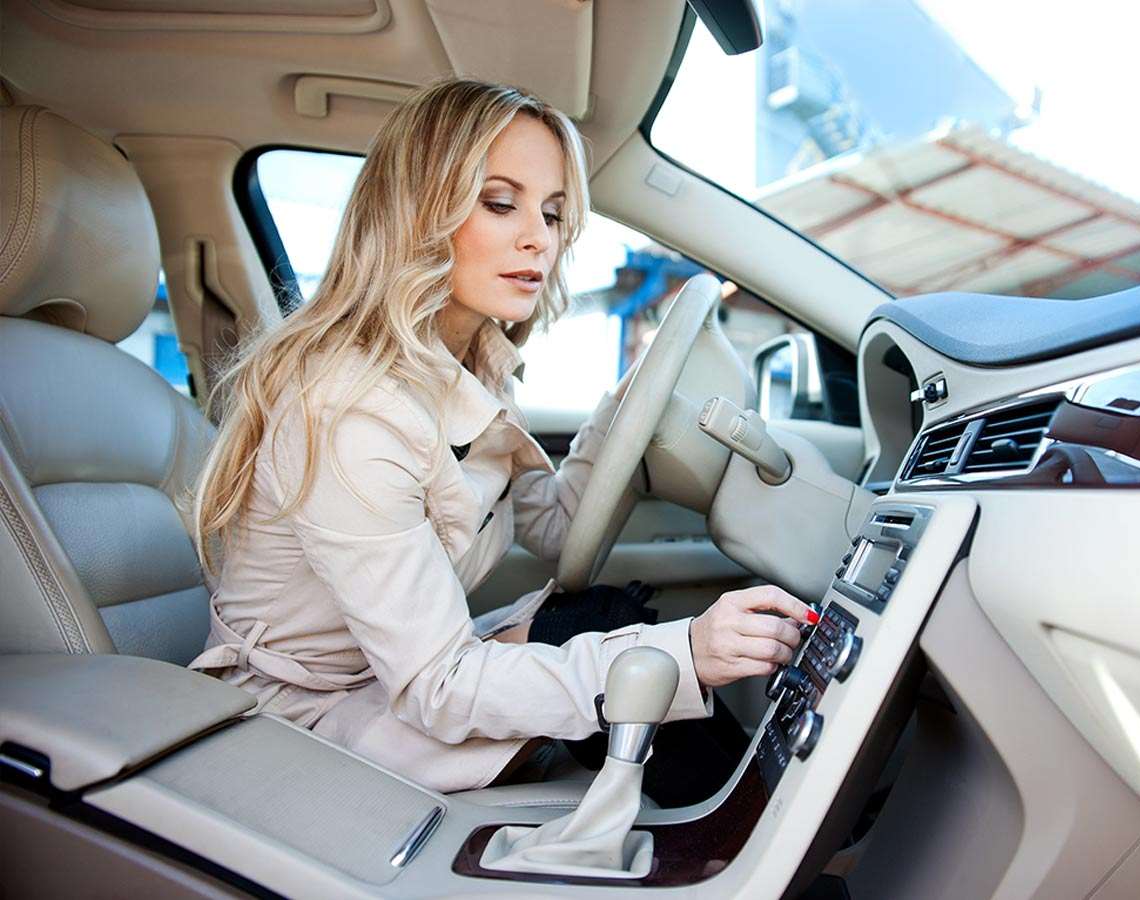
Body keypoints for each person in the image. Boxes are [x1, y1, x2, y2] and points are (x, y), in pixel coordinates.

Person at [188, 78, 814, 805]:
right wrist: (688, 654)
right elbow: (438, 687)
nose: (538, 238)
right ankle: (758, 835)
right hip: (300, 724)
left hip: (385, 673)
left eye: (552, 214)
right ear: (417, 213)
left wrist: (633, 405)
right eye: (499, 203)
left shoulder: (469, 360)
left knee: (601, 622)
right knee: (625, 644)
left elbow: (550, 526)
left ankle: (762, 817)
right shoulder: (346, 412)